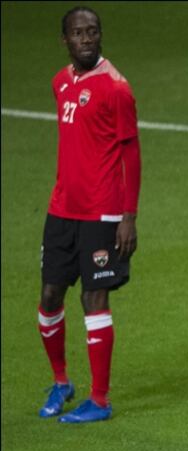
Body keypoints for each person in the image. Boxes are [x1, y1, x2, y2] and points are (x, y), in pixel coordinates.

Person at [37, 6, 141, 423]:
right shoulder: (61, 82)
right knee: (49, 297)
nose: (86, 39)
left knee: (93, 298)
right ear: (65, 39)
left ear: (100, 36)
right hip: (61, 209)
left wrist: (128, 216)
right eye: (78, 33)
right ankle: (61, 381)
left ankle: (99, 400)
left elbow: (130, 154)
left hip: (102, 213)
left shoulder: (116, 89)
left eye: (93, 32)